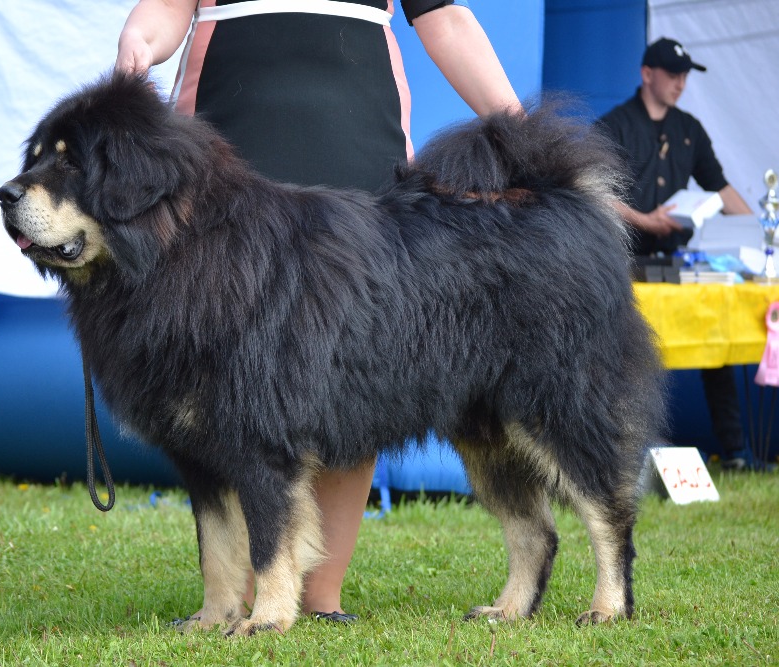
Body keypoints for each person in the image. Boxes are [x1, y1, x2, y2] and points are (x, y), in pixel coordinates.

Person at [116, 0, 521, 621]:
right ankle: (237, 591)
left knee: (356, 367)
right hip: (225, 142)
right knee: (217, 377)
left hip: (358, 135)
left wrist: (515, 125)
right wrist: (139, 45)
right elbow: (164, 11)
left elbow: (445, 18)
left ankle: (320, 594)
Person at [597, 37, 765, 472]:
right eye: (673, 74)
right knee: (630, 358)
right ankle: (628, 459)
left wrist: (764, 233)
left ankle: (736, 454)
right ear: (647, 74)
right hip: (621, 266)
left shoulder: (690, 129)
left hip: (676, 265)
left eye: (686, 75)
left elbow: (720, 187)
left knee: (716, 341)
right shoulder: (614, 126)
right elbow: (590, 191)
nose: (681, 83)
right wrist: (644, 219)